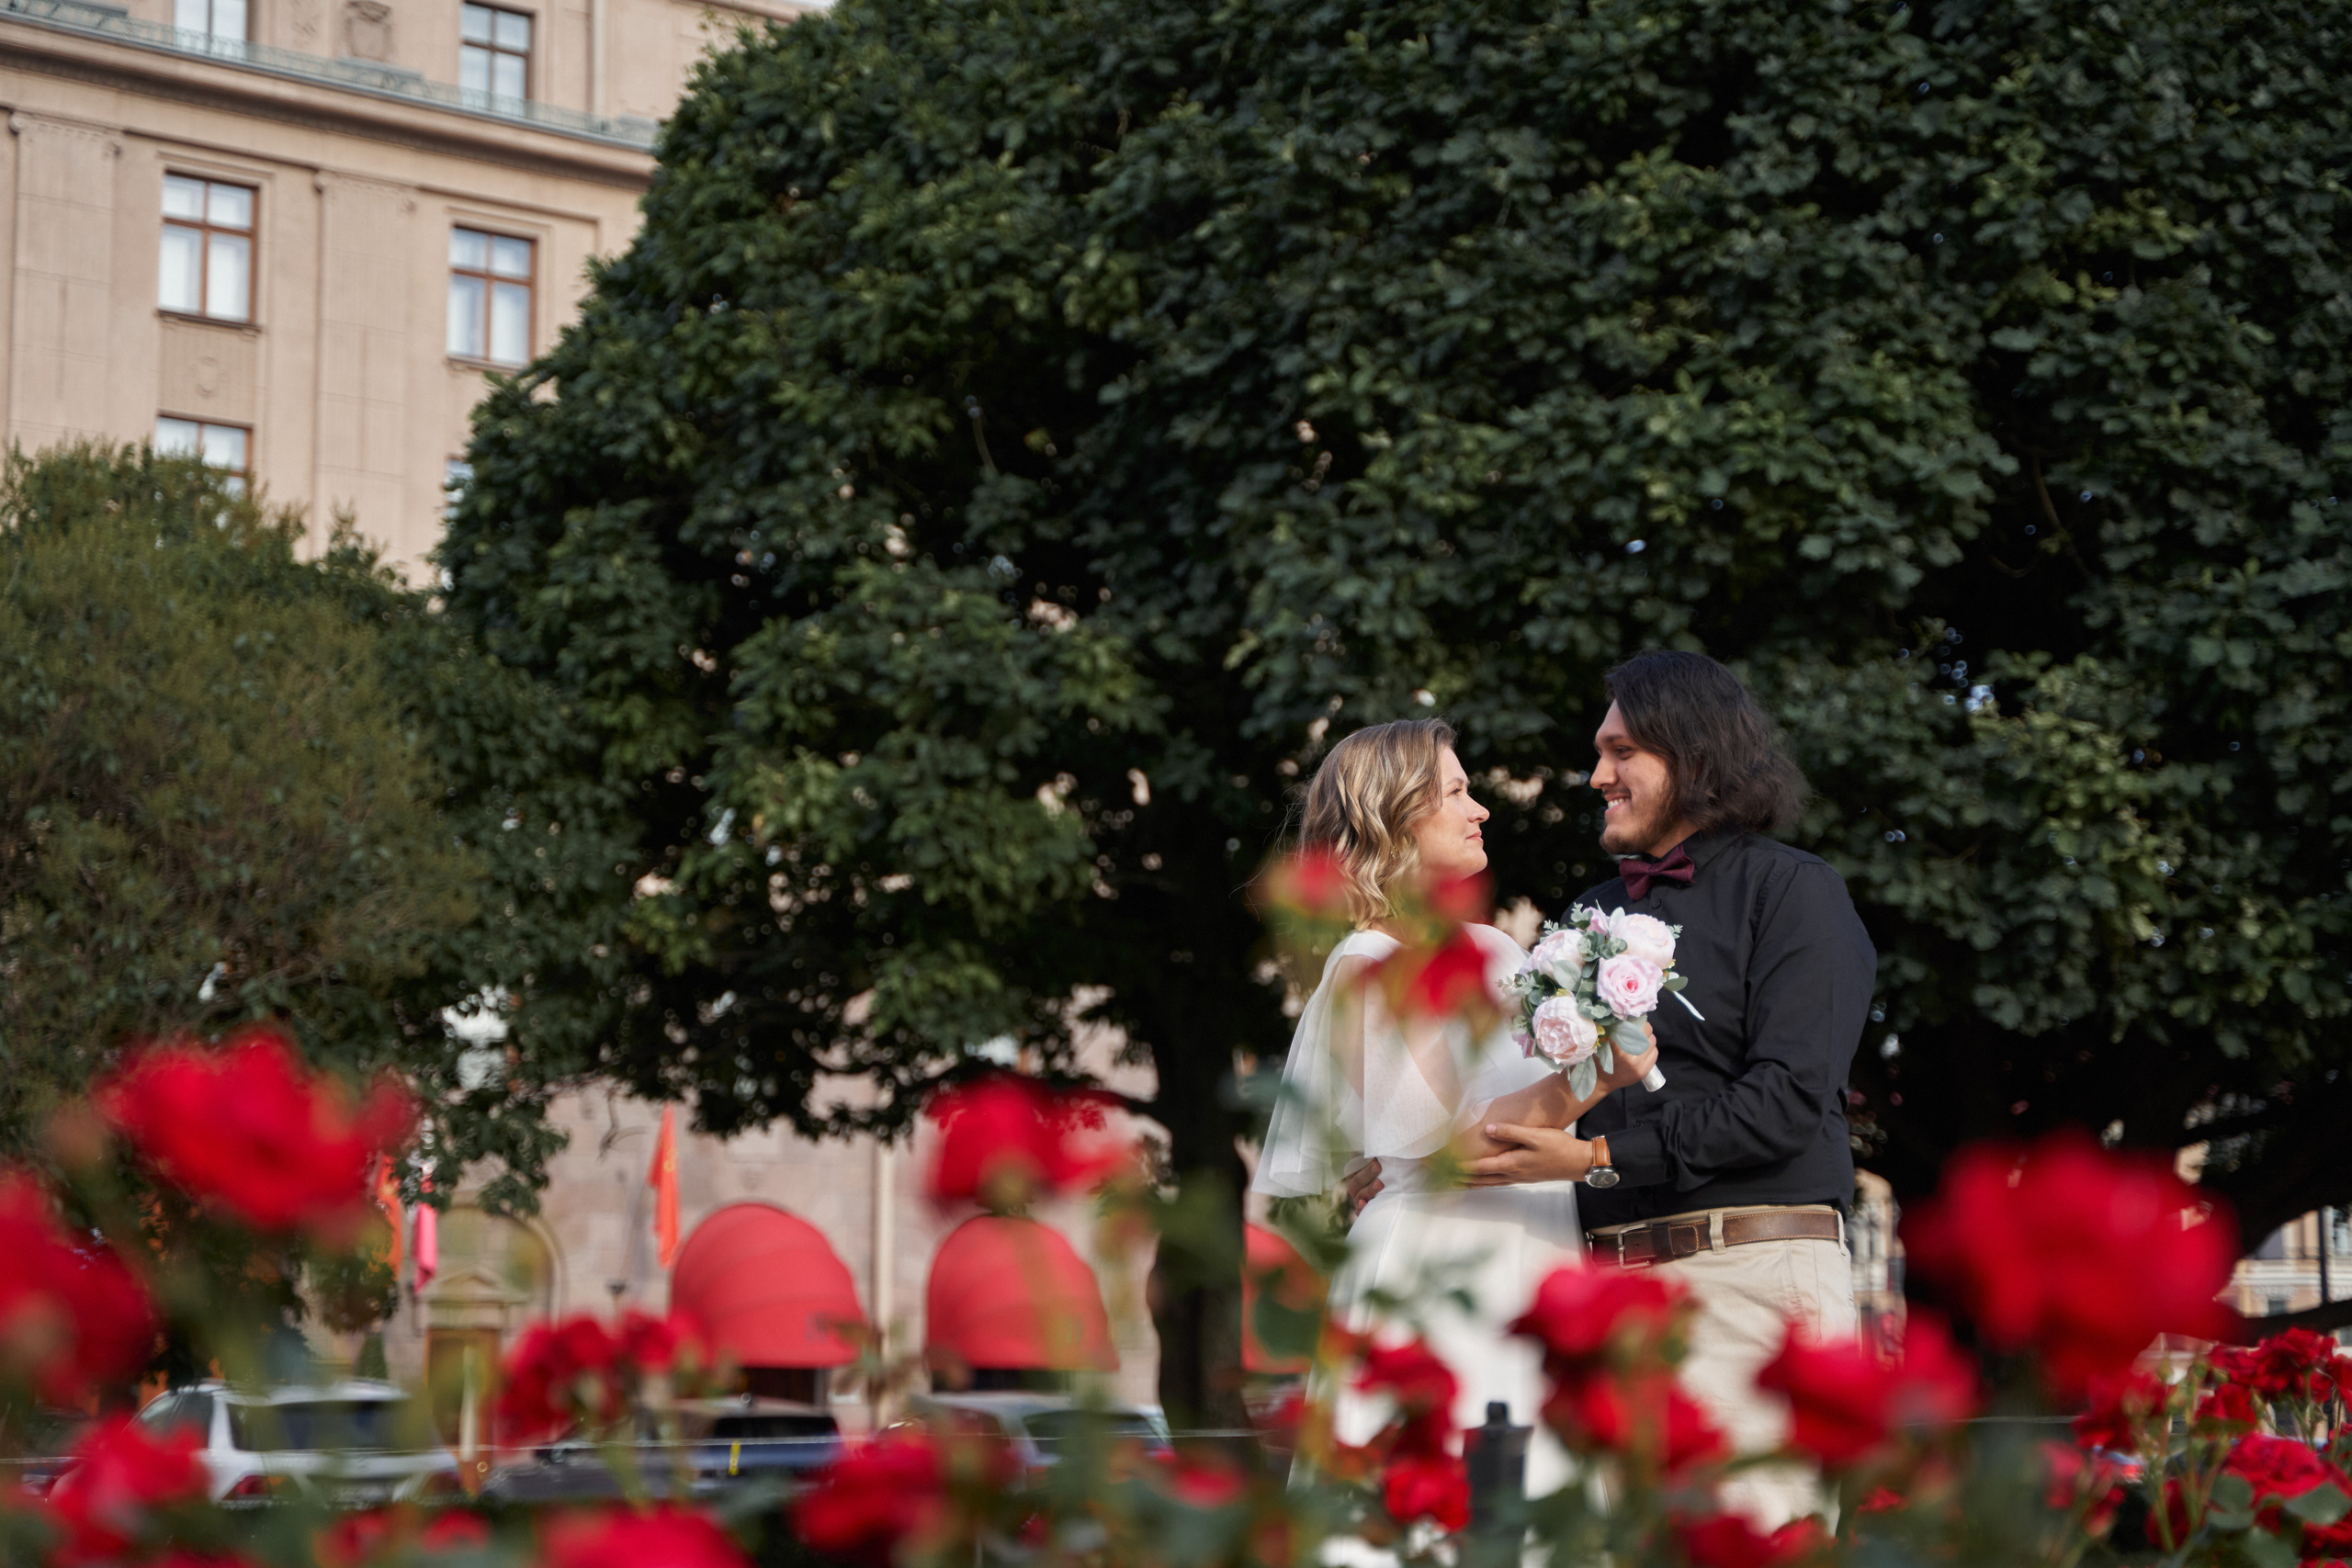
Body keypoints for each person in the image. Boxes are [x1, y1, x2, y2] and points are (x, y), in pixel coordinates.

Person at [1343, 653, 1874, 1527]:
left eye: (1622, 751)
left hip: (1747, 1278)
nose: (1597, 775)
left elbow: (1786, 1101)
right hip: (1602, 1304)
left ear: (1694, 752)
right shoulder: (1587, 916)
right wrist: (1402, 1161)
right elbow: (1520, 1096)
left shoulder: (1793, 892)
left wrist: (1594, 1157)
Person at [1253, 716, 1657, 1495]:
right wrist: (1600, 1076)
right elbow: (1452, 1151)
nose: (1481, 809)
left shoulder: (1498, 951)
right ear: (1395, 816)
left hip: (1533, 1247)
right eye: (1456, 791)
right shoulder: (1368, 962)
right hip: (1434, 1263)